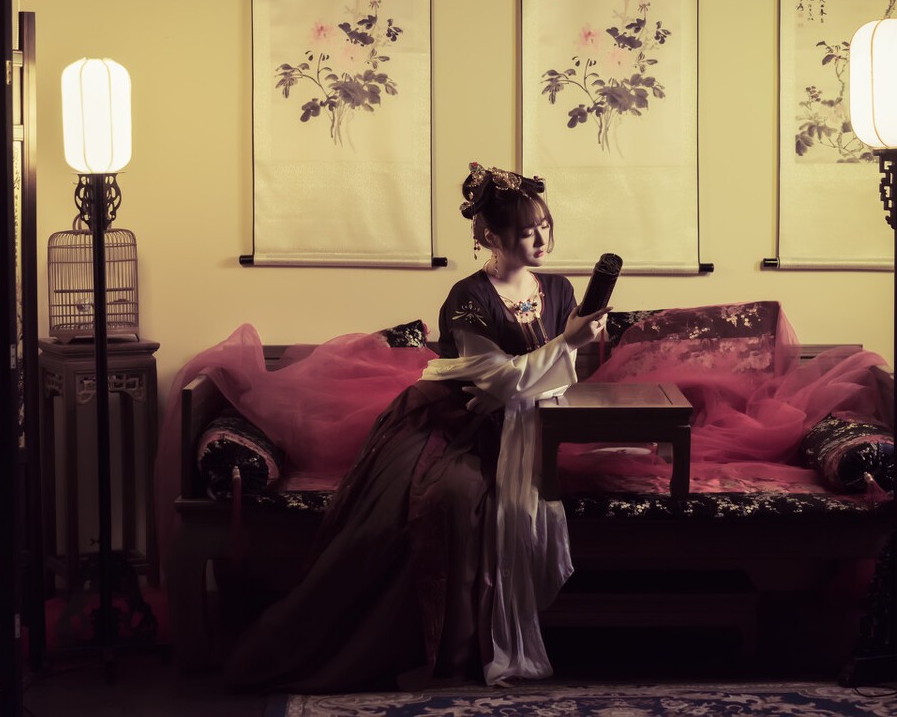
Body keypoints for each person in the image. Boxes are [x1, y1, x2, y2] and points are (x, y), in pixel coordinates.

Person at [225, 162, 609, 693]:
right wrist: (556, 351)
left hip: (526, 421)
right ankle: (438, 648)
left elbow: (549, 378)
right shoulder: (469, 297)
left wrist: (540, 368)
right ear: (492, 237)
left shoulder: (561, 290)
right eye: (527, 232)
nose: (542, 239)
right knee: (449, 498)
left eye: (545, 226)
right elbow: (497, 378)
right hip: (455, 421)